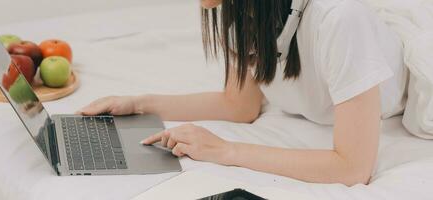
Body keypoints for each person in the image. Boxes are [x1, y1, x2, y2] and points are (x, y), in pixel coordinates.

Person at [78, 0, 407, 186]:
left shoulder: (340, 19)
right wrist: (139, 103)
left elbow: (352, 168)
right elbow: (239, 106)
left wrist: (225, 150)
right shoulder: (241, 11)